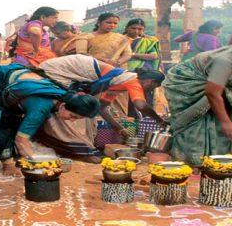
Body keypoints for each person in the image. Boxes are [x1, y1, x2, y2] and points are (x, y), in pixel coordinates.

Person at [0, 64, 100, 174]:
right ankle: (7, 162)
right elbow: (21, 140)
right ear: (63, 106)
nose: (72, 120)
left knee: (18, 120)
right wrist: (37, 163)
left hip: (7, 78)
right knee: (1, 121)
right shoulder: (41, 107)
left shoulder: (64, 95)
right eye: (73, 116)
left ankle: (15, 155)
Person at [36, 54, 165, 158]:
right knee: (70, 109)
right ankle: (74, 149)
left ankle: (74, 147)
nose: (150, 91)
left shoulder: (118, 81)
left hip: (66, 69)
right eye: (153, 87)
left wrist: (119, 129)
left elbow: (101, 108)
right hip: (62, 70)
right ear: (150, 81)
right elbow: (140, 105)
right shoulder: (132, 80)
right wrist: (160, 121)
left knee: (84, 111)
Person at [163, 38, 232, 166]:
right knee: (194, 128)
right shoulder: (225, 61)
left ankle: (213, 164)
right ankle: (190, 165)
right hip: (189, 87)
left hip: (214, 89)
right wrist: (226, 121)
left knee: (216, 126)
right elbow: (212, 93)